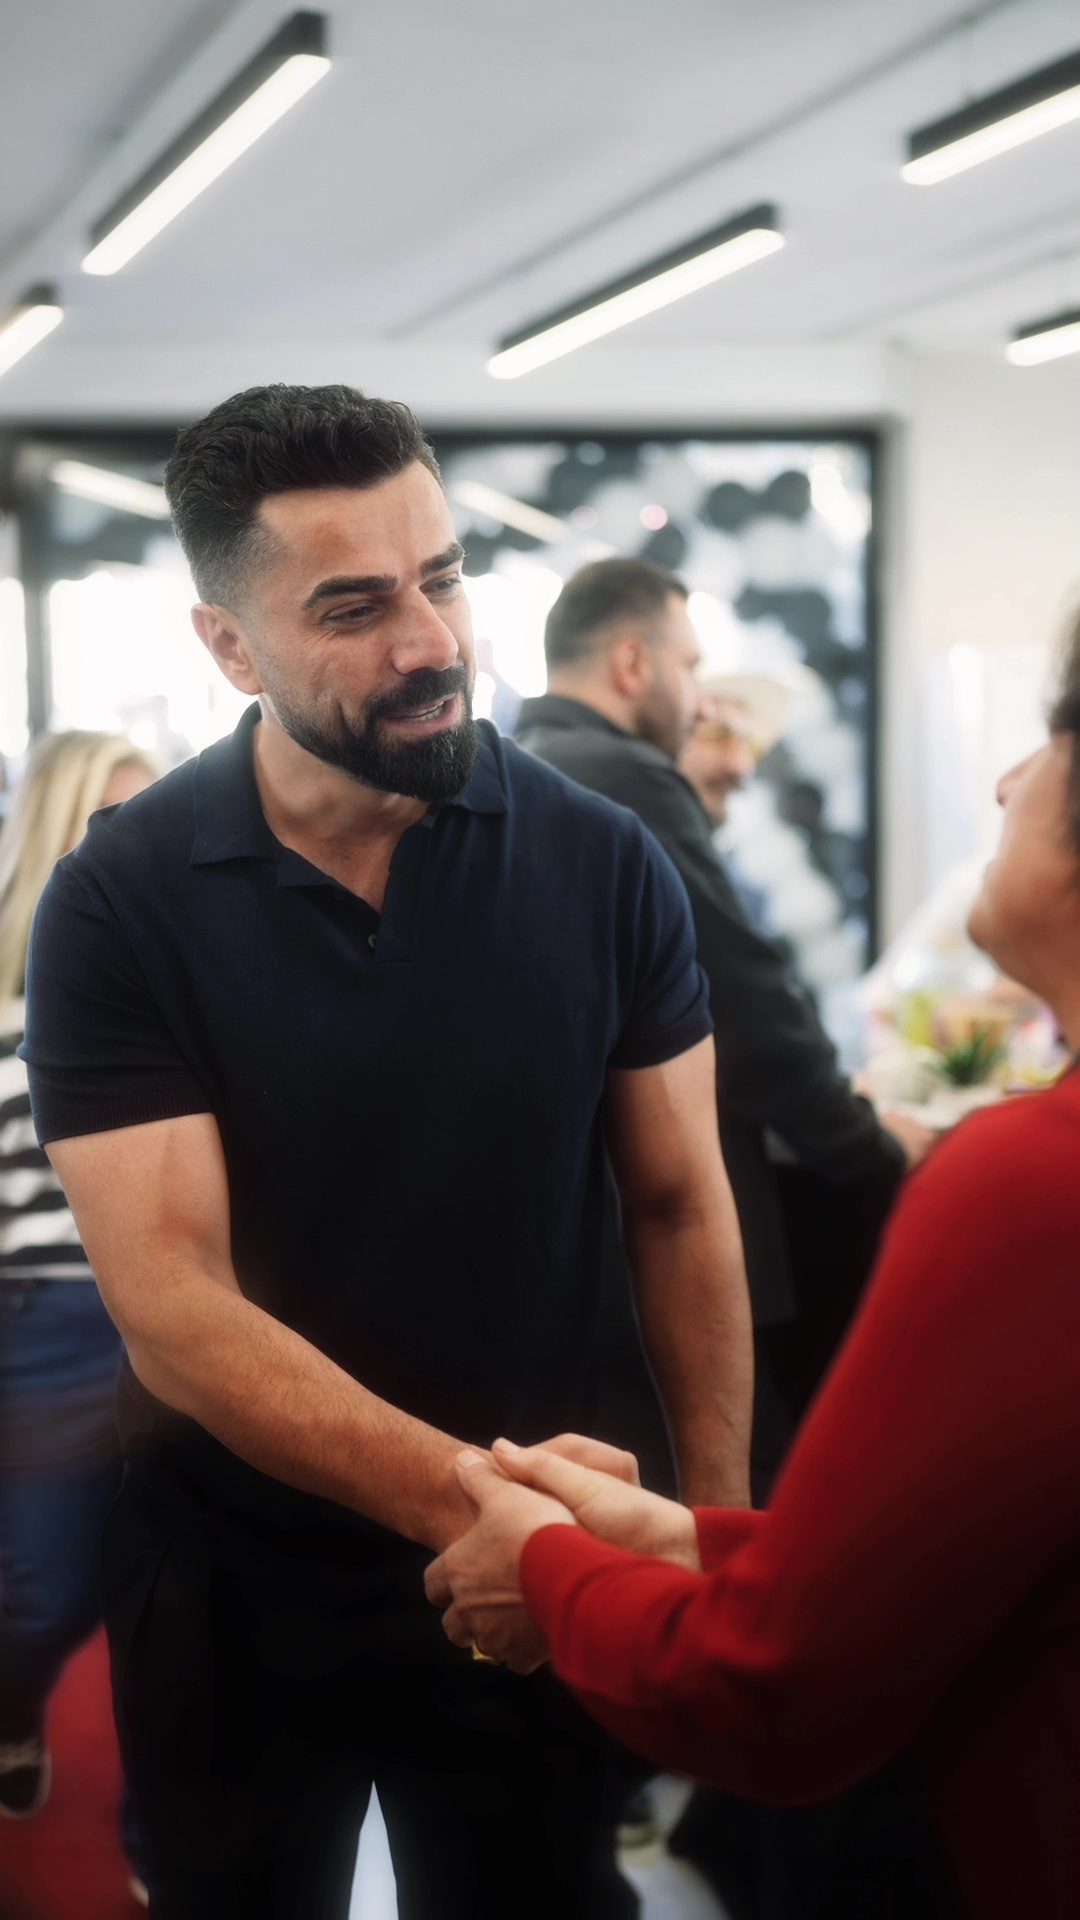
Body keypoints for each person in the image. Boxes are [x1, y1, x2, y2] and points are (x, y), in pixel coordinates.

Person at [20, 385, 754, 1920]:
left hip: (541, 1569)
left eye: (444, 577)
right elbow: (178, 1309)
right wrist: (484, 1513)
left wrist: (716, 1542)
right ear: (231, 646)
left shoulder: (601, 859)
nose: (428, 641)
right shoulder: (118, 902)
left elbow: (682, 1207)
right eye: (353, 608)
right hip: (241, 1575)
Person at [426, 616, 1080, 1920]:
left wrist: (549, 1569)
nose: (1011, 781)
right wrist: (691, 1540)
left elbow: (777, 1687)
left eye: (1053, 739)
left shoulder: (1029, 1186)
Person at [514, 559, 930, 1496]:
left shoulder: (519, 771)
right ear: (633, 664)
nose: (701, 699)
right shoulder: (625, 776)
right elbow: (742, 1003)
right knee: (736, 1516)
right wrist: (868, 1145)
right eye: (691, 665)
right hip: (661, 1241)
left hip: (572, 1254)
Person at [0, 734, 155, 1895]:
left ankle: (169, 1840)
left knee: (174, 1593)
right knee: (44, 1587)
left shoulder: (176, 988)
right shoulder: (11, 1006)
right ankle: (11, 1703)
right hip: (48, 1318)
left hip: (173, 1312)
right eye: (111, 821)